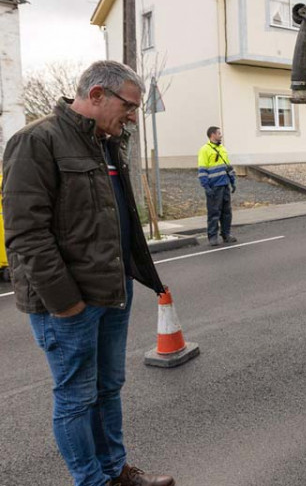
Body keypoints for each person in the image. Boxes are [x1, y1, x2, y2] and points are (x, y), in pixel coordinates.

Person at [2, 61, 174, 486]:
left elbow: (118, 216)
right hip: (68, 305)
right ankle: (91, 481)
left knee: (108, 387)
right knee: (76, 398)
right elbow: (25, 232)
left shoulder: (106, 142)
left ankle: (115, 471)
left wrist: (138, 275)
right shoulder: (35, 141)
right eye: (129, 106)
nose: (133, 115)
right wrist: (66, 303)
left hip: (112, 293)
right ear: (96, 95)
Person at [198, 126, 237, 246]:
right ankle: (212, 237)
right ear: (212, 135)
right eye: (219, 133)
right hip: (214, 187)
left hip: (224, 185)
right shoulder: (204, 150)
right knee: (214, 213)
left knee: (227, 212)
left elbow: (227, 166)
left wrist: (232, 181)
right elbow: (202, 170)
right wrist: (206, 187)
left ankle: (226, 235)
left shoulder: (222, 149)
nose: (221, 135)